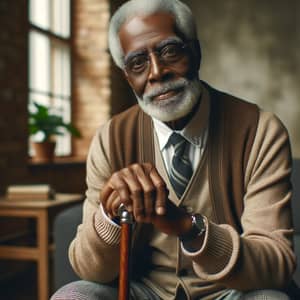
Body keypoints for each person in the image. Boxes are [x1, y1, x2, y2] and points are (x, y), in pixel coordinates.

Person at [51, 0, 297, 299]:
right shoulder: (110, 138)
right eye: (138, 63)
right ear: (128, 77)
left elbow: (277, 263)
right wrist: (110, 216)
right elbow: (90, 272)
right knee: (73, 295)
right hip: (145, 290)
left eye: (169, 51)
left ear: (195, 52)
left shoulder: (261, 131)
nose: (157, 73)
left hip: (231, 291)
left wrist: (187, 227)